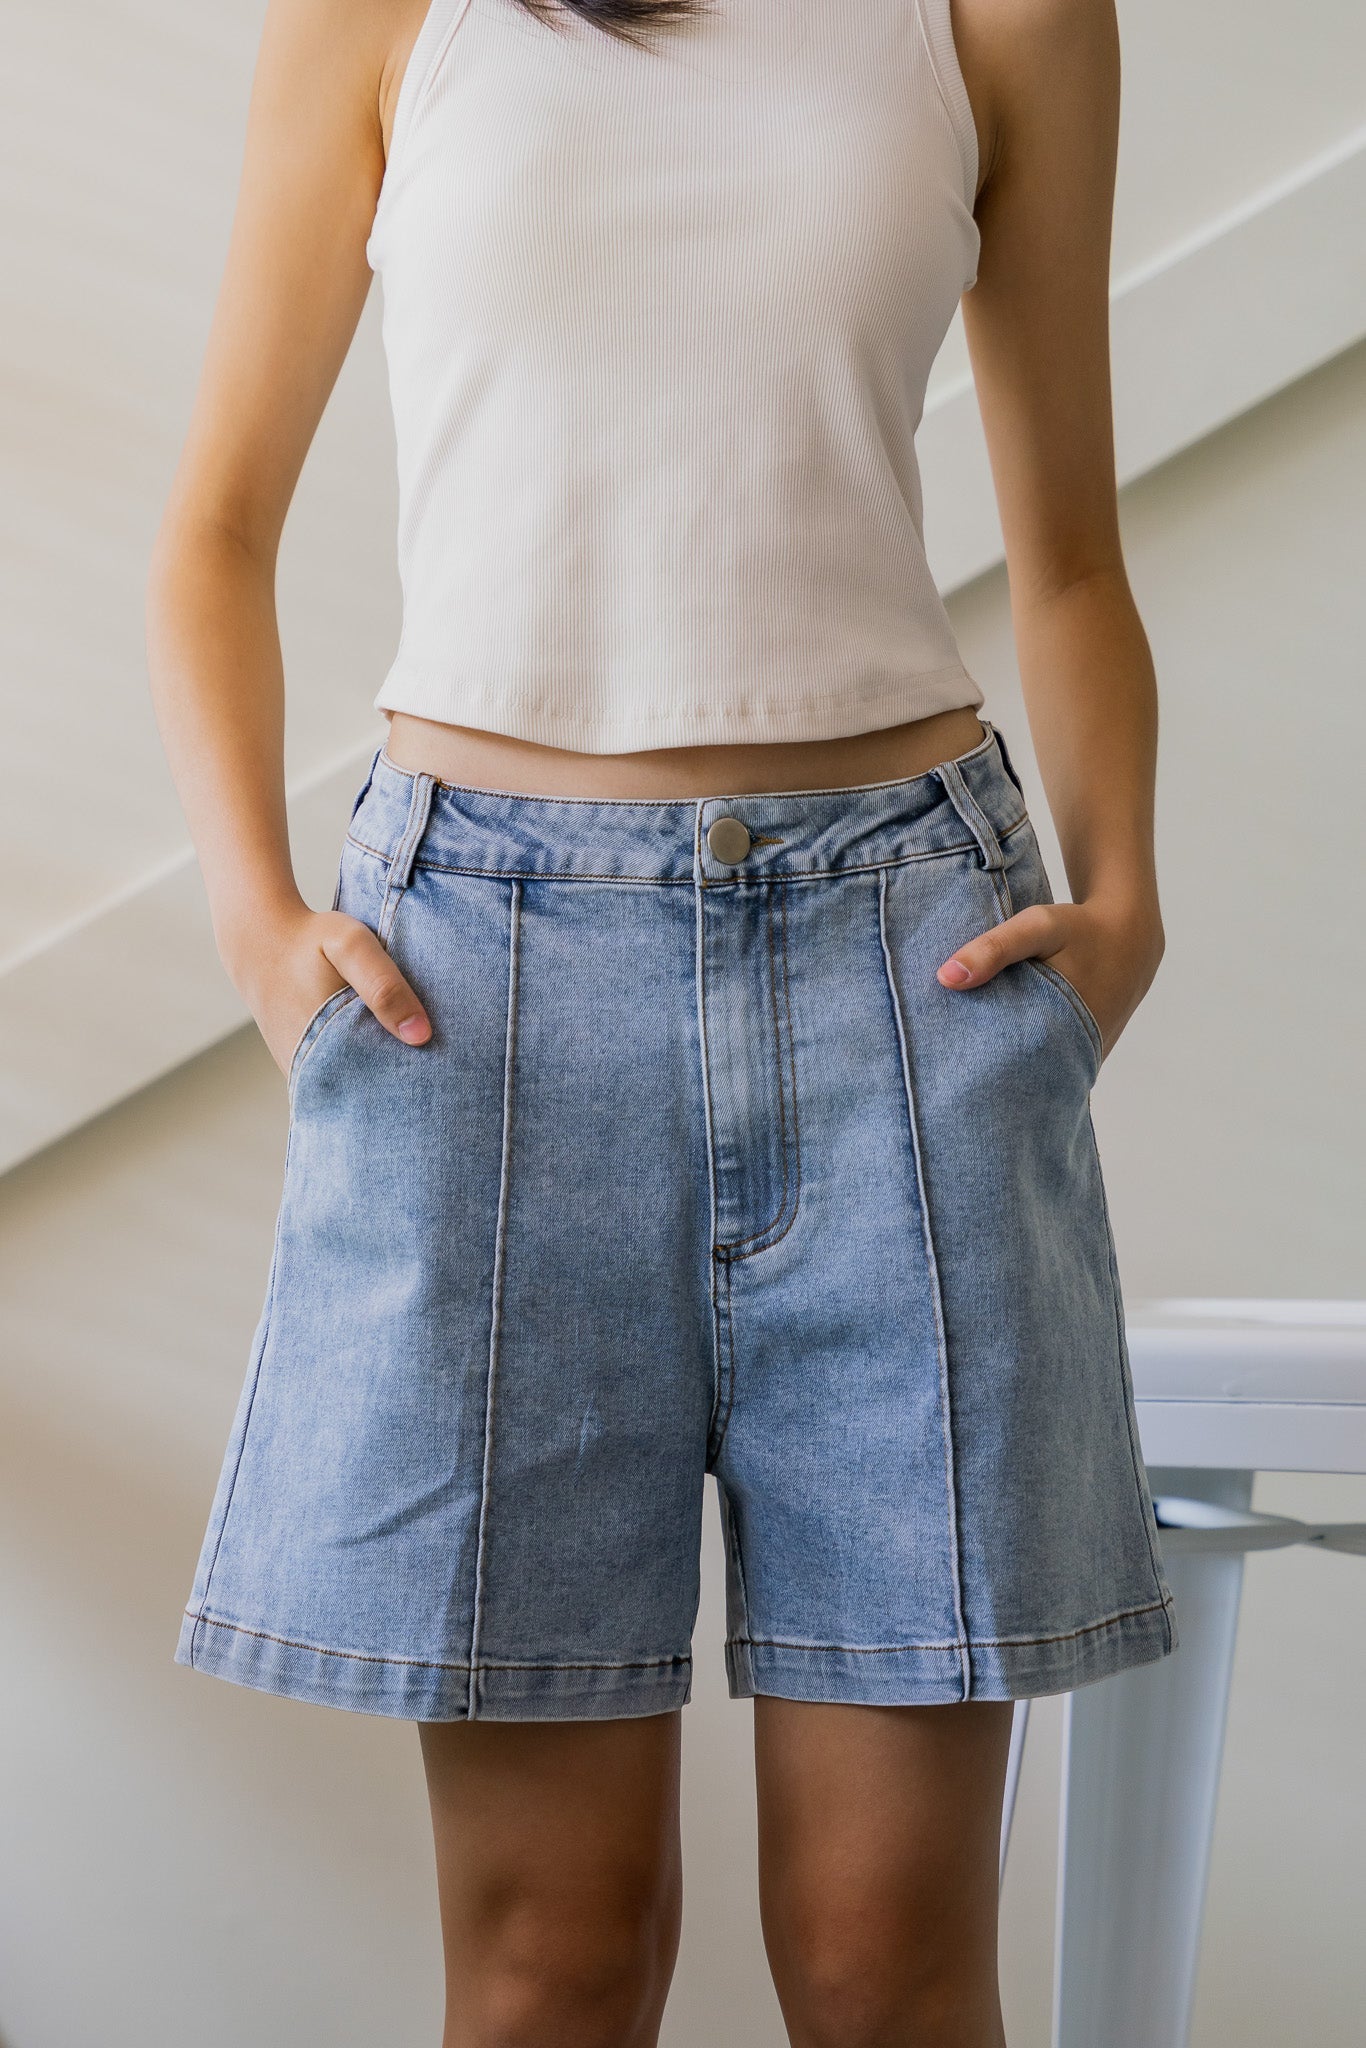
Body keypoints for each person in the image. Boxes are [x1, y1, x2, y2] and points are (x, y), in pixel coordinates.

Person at [146, 0, 1177, 2040]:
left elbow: (1064, 547)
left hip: (907, 977)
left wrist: (1122, 892)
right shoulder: (383, 14)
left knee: (888, 1960)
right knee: (551, 1955)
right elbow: (213, 528)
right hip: (482, 1008)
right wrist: (259, 924)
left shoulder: (1004, 18)